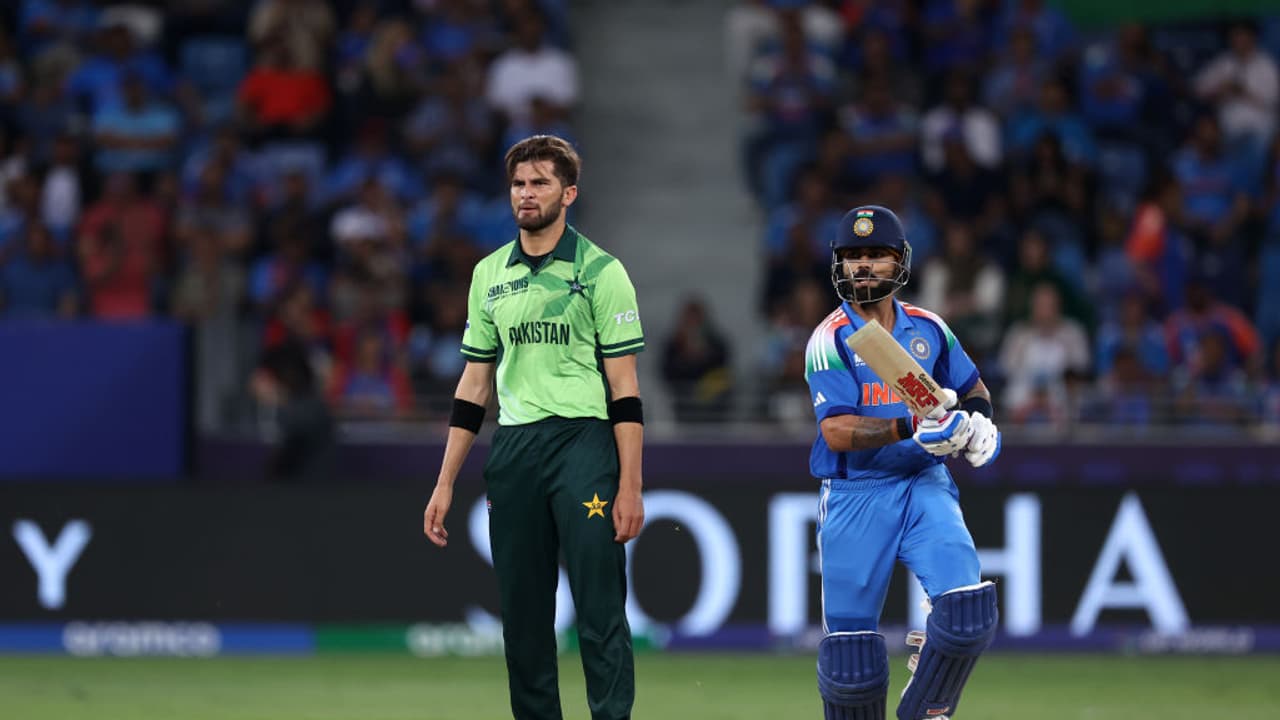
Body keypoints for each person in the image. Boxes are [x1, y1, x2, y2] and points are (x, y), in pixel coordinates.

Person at [423, 135, 645, 720]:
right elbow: (475, 386)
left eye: (540, 182)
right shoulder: (488, 274)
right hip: (515, 449)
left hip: (583, 444)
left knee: (599, 607)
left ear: (568, 193)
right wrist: (445, 482)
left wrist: (630, 485)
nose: (526, 193)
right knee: (523, 617)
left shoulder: (601, 272)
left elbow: (624, 389)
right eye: (519, 183)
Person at [804, 205, 1000, 720]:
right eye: (853, 256)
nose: (864, 266)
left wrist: (980, 422)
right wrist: (911, 426)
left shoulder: (929, 328)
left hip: (922, 480)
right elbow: (835, 431)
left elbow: (973, 388)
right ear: (839, 264)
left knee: (967, 614)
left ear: (900, 261)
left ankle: (925, 710)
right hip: (855, 495)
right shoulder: (830, 338)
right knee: (851, 667)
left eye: (877, 255)